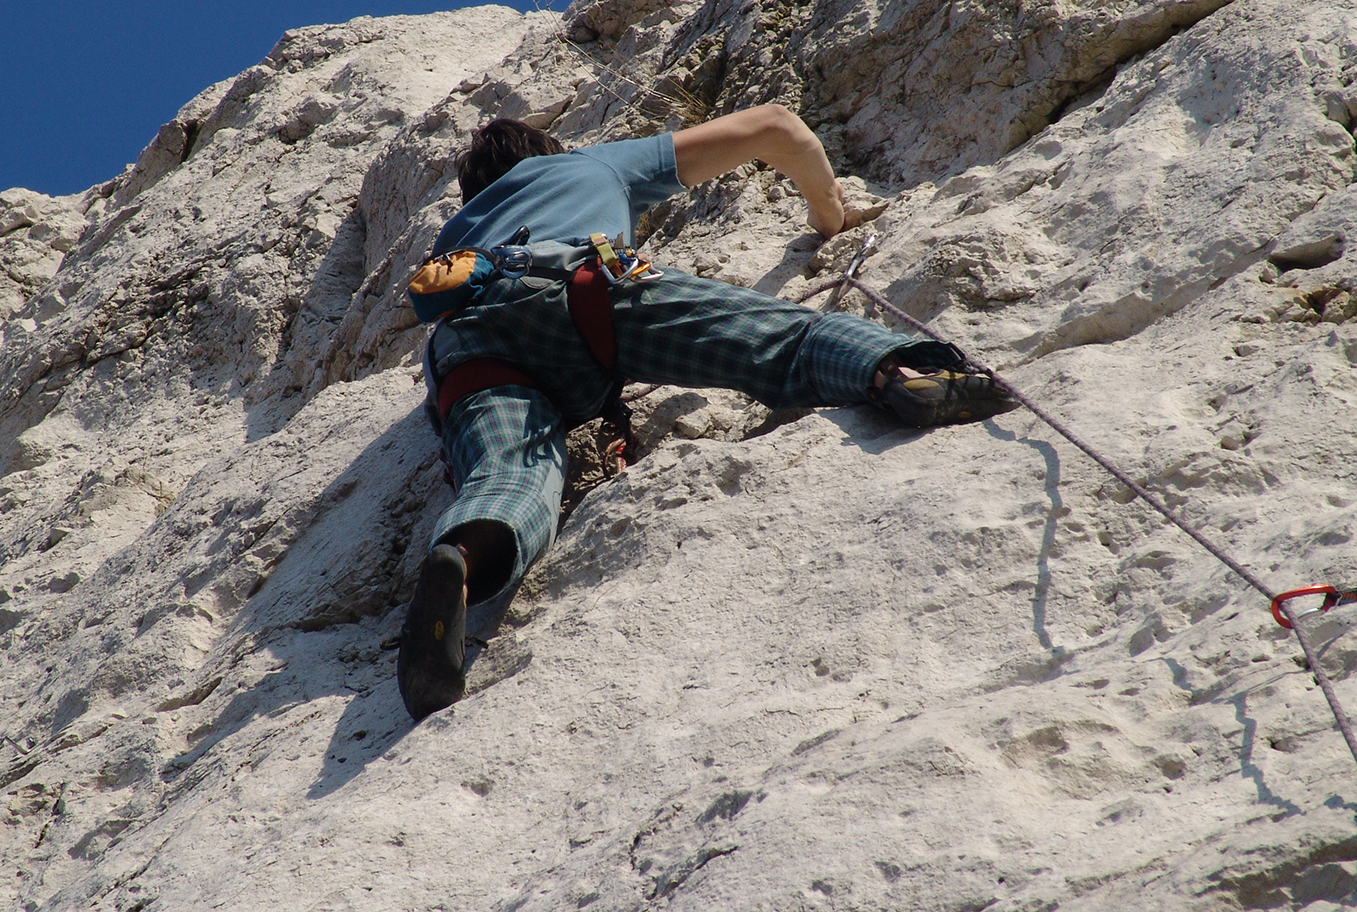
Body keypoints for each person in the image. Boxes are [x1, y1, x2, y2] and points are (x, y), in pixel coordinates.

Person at [397, 104, 1015, 720]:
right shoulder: (587, 166)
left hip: (471, 346)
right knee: (780, 343)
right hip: (584, 288)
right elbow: (775, 125)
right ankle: (899, 373)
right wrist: (830, 214)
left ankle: (462, 562)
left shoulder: (457, 237)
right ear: (547, 154)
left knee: (509, 477)